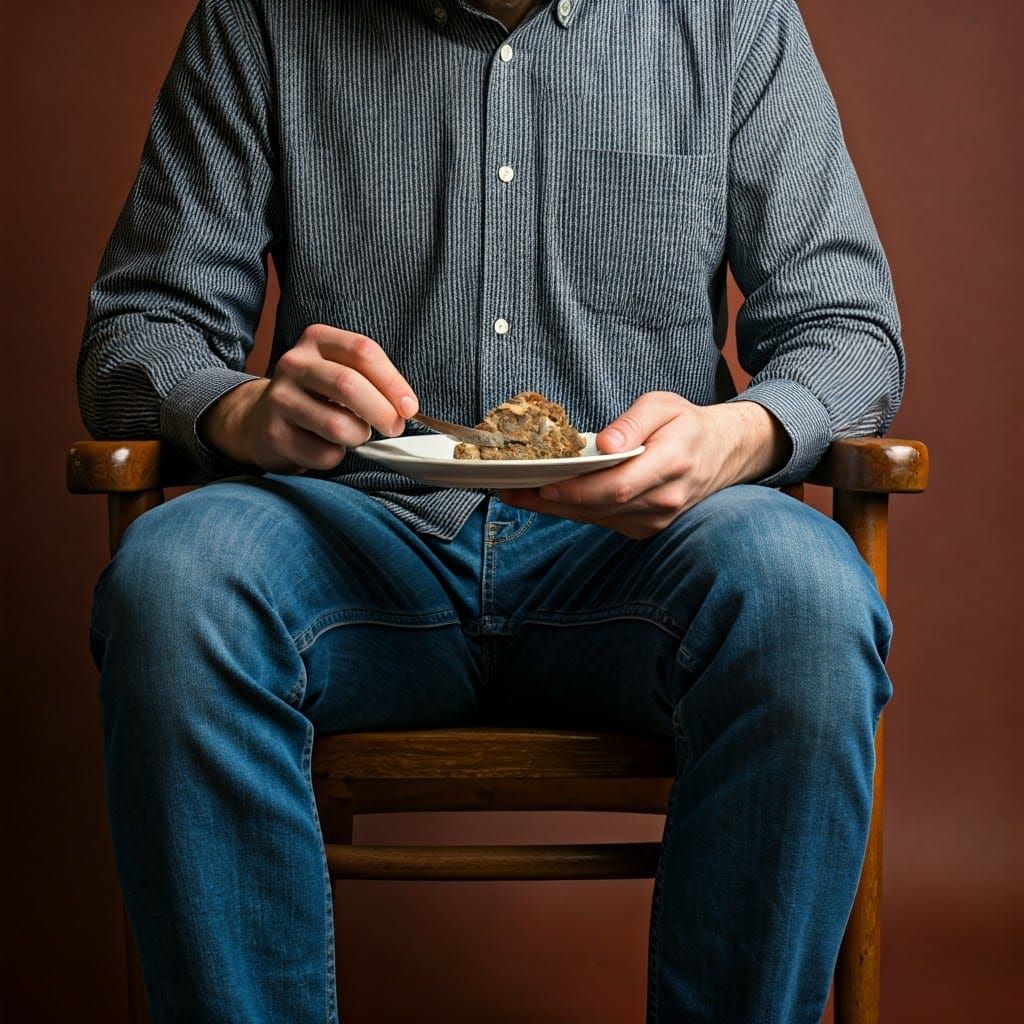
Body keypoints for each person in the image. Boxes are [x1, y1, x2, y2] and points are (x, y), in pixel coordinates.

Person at [79, 1, 903, 1021]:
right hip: (351, 545)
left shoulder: (732, 18)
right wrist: (243, 411)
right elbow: (139, 329)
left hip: (641, 557)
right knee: (173, 580)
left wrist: (735, 436)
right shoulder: (261, 18)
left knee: (811, 599)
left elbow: (847, 329)